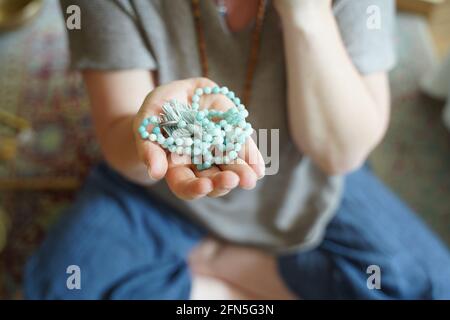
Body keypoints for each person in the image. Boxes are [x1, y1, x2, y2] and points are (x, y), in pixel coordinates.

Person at [24, 0, 450, 299]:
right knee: (58, 285)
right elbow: (120, 140)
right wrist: (146, 130)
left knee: (431, 286)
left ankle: (218, 266)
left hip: (305, 169)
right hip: (158, 190)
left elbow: (341, 153)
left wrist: (306, 15)